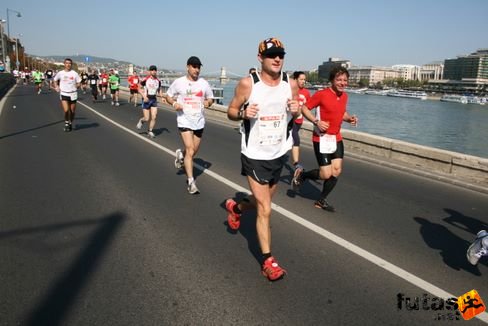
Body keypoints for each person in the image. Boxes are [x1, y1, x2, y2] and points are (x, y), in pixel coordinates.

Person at [224, 37, 299, 281]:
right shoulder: (249, 84)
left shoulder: (290, 83)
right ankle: (268, 261)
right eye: (271, 55)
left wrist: (296, 111)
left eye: (281, 54)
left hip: (279, 152)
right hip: (255, 155)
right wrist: (243, 113)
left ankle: (236, 207)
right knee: (266, 208)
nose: (277, 58)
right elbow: (231, 112)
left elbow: (293, 110)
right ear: (260, 58)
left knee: (259, 203)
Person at [292, 66, 358, 212]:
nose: (342, 83)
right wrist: (316, 122)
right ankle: (303, 175)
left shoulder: (344, 96)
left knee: (336, 171)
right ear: (332, 80)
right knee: (326, 174)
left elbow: (341, 112)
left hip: (336, 138)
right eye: (339, 80)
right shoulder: (322, 94)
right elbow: (304, 108)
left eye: (345, 80)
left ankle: (321, 200)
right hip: (321, 138)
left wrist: (349, 119)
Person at [165, 56, 214, 195]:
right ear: (188, 67)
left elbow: (210, 98)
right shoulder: (179, 82)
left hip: (199, 121)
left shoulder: (204, 83)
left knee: (193, 152)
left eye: (198, 67)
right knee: (190, 149)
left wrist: (208, 103)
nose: (197, 69)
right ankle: (191, 182)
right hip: (184, 120)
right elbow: (168, 95)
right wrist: (174, 104)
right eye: (194, 66)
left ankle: (181, 154)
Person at [290, 71, 311, 179]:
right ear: (295, 79)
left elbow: (308, 107)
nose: (303, 81)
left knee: (293, 140)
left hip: (299, 121)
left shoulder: (306, 93)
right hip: (289, 121)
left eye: (304, 79)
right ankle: (296, 164)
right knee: (296, 140)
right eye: (301, 79)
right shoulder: (289, 90)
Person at [52, 58, 81, 132]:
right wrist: (56, 86)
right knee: (66, 110)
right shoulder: (60, 73)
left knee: (72, 111)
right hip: (64, 93)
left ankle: (70, 122)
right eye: (67, 63)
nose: (68, 64)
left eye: (70, 63)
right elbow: (55, 80)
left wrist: (77, 86)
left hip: (73, 93)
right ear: (64, 64)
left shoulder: (74, 73)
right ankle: (66, 123)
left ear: (71, 64)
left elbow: (79, 82)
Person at [136, 65, 162, 138]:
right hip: (146, 99)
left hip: (153, 99)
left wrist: (162, 96)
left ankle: (150, 131)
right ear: (149, 71)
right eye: (152, 70)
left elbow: (159, 89)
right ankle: (141, 121)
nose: (154, 71)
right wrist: (144, 96)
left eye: (155, 70)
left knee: (154, 117)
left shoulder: (158, 81)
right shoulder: (146, 79)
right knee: (146, 118)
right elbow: (138, 88)